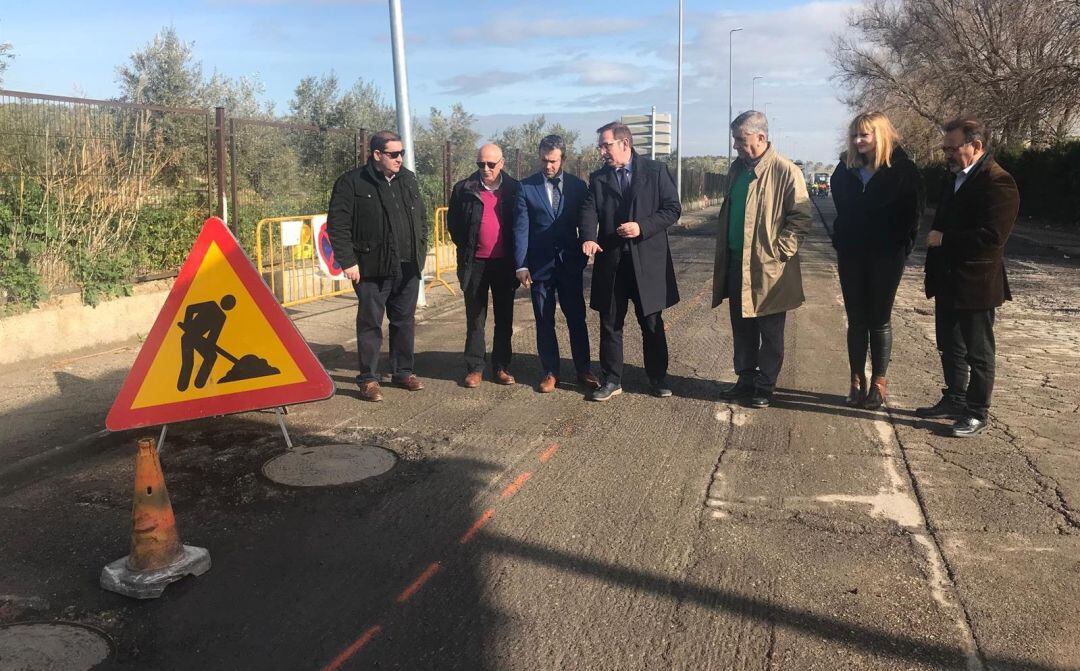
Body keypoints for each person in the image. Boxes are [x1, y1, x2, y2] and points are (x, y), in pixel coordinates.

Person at [918, 117, 1019, 437]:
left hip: (976, 282)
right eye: (944, 147)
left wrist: (944, 239)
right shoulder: (952, 179)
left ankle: (976, 412)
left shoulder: (998, 181)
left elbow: (993, 236)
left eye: (952, 147)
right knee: (950, 346)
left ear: (976, 146)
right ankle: (955, 398)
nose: (946, 153)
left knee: (979, 351)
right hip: (947, 279)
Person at [713, 111, 812, 408]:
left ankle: (765, 386)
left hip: (769, 268)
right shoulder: (736, 170)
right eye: (735, 140)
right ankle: (745, 380)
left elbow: (801, 218)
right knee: (742, 327)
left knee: (770, 332)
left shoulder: (785, 171)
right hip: (735, 263)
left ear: (761, 137)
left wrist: (779, 252)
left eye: (740, 140)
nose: (736, 146)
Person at [580, 121, 681, 402]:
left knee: (651, 321)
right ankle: (612, 379)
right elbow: (589, 211)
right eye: (600, 146)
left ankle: (657, 377)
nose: (602, 151)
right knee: (610, 322)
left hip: (647, 261)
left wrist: (642, 227)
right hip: (612, 262)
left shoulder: (655, 171)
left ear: (625, 144)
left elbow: (673, 209)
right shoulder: (599, 178)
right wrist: (588, 236)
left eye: (606, 145)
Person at [830, 112, 924, 409]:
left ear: (879, 135)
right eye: (855, 135)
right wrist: (841, 238)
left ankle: (879, 383)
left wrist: (901, 247)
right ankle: (856, 380)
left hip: (887, 256)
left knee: (879, 318)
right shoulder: (845, 169)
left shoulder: (904, 170)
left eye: (864, 135)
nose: (858, 141)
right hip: (852, 254)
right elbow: (841, 210)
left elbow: (914, 215)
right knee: (856, 319)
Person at [326, 130, 427, 402]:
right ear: (377, 155)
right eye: (394, 154)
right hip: (371, 267)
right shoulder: (352, 183)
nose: (399, 159)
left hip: (407, 266)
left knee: (404, 321)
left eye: (402, 153)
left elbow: (421, 219)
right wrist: (348, 261)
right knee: (370, 323)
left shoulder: (408, 179)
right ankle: (368, 378)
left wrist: (420, 252)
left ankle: (403, 371)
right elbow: (338, 226)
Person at [513, 135, 599, 393]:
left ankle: (583, 369)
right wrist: (521, 264)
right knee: (543, 319)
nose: (547, 166)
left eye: (552, 161)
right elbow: (521, 228)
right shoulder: (525, 187)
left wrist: (587, 244)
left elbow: (586, 219)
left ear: (563, 159)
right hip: (540, 266)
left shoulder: (577, 186)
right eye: (543, 160)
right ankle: (550, 372)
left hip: (570, 263)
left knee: (576, 318)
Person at [447, 143, 521, 388]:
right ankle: (475, 367)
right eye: (481, 164)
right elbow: (455, 227)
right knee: (475, 318)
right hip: (475, 264)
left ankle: (501, 366)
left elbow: (521, 225)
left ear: (502, 163)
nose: (486, 169)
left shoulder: (514, 189)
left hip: (505, 264)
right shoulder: (464, 189)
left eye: (491, 164)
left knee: (504, 318)